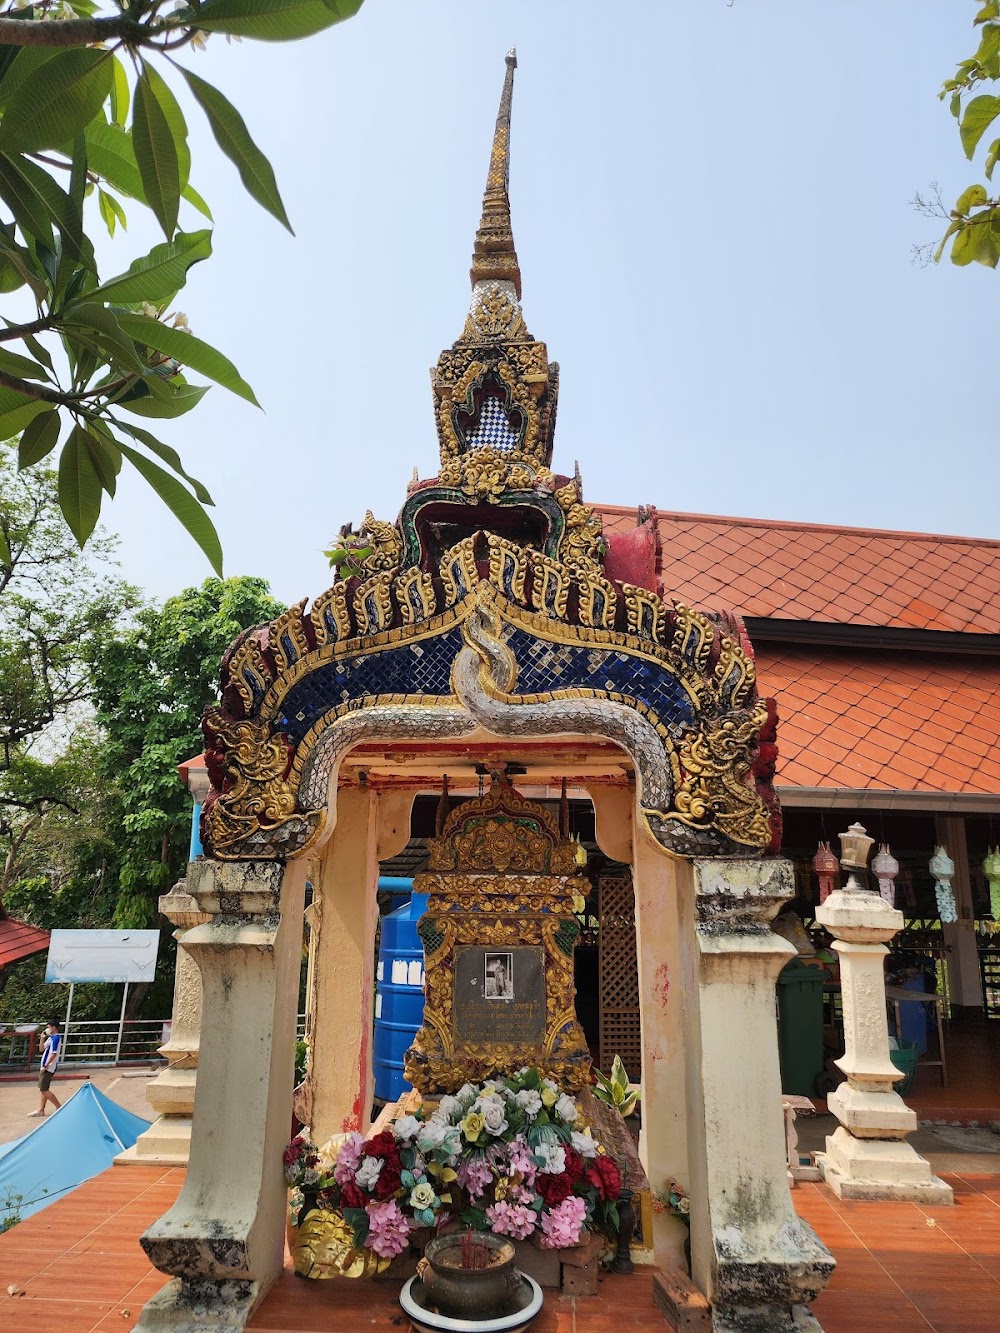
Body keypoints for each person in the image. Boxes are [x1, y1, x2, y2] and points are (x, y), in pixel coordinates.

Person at [29, 1018, 62, 1117]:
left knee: (44, 1089)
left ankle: (58, 1106)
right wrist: (42, 1038)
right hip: (46, 1066)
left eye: (48, 1027)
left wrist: (45, 1065)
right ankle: (41, 1109)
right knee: (43, 1088)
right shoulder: (51, 1038)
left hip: (48, 1067)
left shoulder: (56, 1038)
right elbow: (41, 1049)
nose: (47, 1029)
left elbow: (53, 1054)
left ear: (54, 1027)